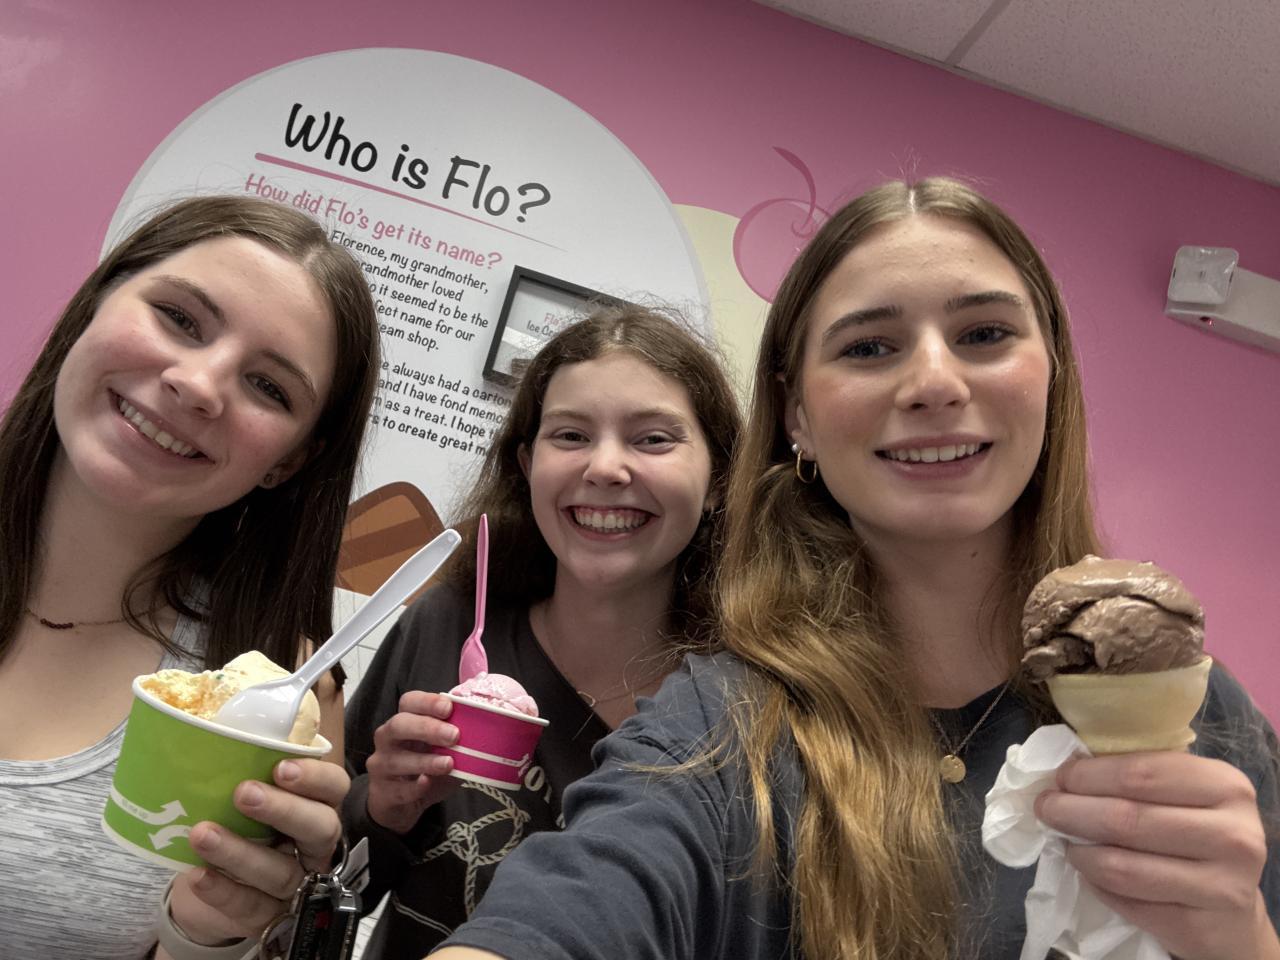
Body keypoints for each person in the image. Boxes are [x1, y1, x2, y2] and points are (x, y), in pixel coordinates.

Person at [430, 178, 1280, 960]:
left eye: (985, 334)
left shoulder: (1205, 717)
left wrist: (1242, 939)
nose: (935, 383)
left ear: (1051, 374)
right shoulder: (719, 729)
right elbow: (563, 910)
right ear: (796, 415)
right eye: (869, 347)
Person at [0, 195, 380, 959]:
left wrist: (211, 936)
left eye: (269, 387)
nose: (200, 385)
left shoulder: (282, 700)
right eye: (179, 317)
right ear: (97, 302)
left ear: (289, 461)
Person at [342, 305, 741, 959]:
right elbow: (331, 886)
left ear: (719, 478)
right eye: (571, 435)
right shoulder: (448, 626)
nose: (605, 467)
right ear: (527, 464)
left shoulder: (740, 707)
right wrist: (379, 810)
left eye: (652, 439)